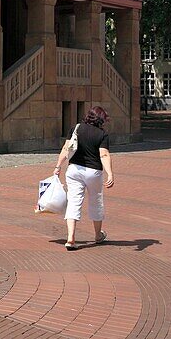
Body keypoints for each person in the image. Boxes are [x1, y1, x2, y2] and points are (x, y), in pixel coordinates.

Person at [53, 105, 114, 250]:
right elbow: (104, 154)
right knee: (96, 201)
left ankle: (70, 239)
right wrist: (110, 173)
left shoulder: (76, 128)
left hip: (74, 170)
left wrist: (58, 166)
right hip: (94, 172)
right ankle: (98, 235)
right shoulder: (102, 134)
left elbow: (66, 149)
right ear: (101, 119)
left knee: (74, 201)